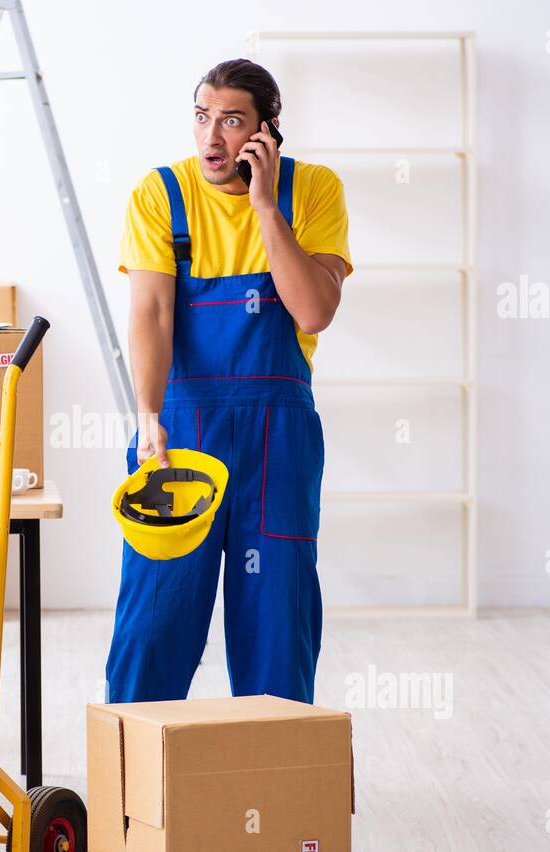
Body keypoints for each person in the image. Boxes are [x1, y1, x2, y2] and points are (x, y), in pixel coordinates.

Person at [105, 58, 352, 705]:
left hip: (279, 440)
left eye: (232, 121)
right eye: (202, 116)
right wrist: (147, 413)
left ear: (266, 131)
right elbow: (153, 312)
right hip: (180, 431)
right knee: (155, 619)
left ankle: (273, 785)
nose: (211, 138)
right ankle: (133, 784)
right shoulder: (161, 194)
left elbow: (314, 309)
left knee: (277, 622)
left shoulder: (313, 191)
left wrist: (267, 206)